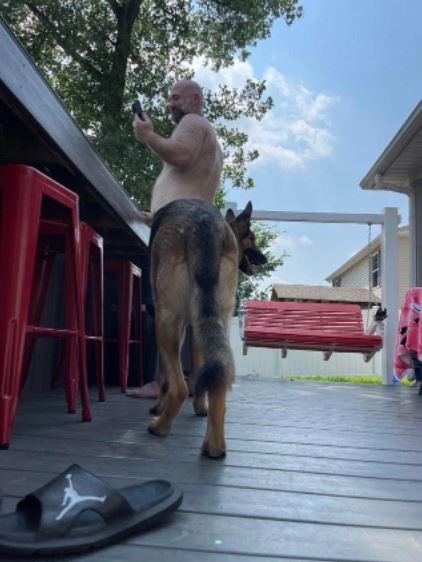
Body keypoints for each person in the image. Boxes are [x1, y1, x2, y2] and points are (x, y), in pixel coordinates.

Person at [126, 79, 224, 398]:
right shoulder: (209, 137)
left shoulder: (193, 122)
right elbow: (190, 181)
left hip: (178, 225)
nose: (171, 103)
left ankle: (164, 382)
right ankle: (194, 382)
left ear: (196, 99)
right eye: (170, 98)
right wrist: (157, 214)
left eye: (176, 97)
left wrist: (148, 136)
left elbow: (182, 156)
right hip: (197, 222)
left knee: (168, 306)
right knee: (193, 306)